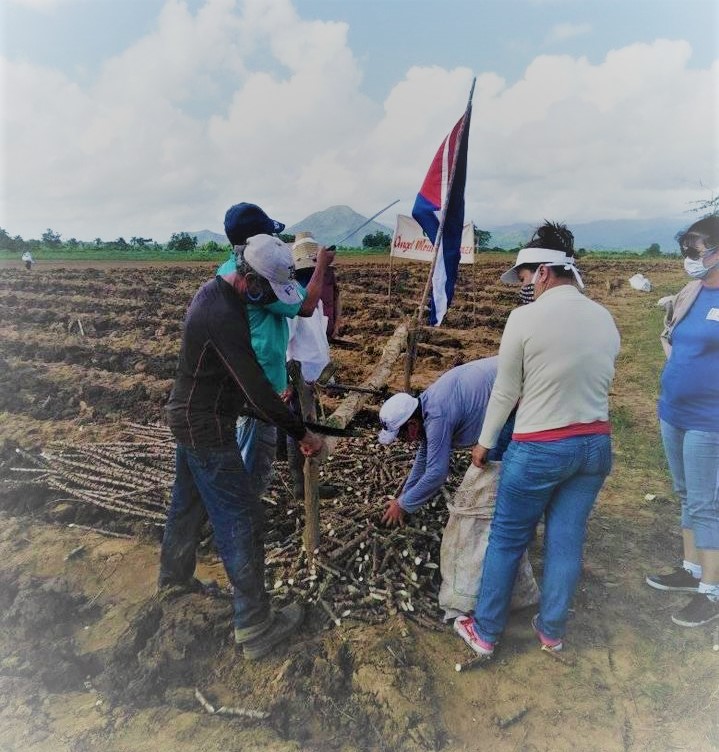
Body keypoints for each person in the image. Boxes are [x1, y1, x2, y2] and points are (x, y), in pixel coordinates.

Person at [454, 221, 620, 659]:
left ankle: (486, 632)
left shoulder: (524, 319)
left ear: (543, 272)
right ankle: (552, 631)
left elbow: (506, 391)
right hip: (595, 446)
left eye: (525, 277)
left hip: (540, 447)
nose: (523, 286)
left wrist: (484, 442)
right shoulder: (604, 318)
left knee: (507, 538)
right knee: (566, 540)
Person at [159, 231, 324, 660]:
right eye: (266, 291)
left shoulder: (221, 298)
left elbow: (236, 386)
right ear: (249, 279)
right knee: (243, 517)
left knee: (188, 503)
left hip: (193, 416)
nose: (269, 299)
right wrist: (303, 433)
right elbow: (255, 386)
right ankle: (254, 624)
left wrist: (273, 416)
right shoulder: (223, 315)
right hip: (205, 427)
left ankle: (173, 582)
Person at [216, 206, 334, 500]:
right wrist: (321, 265)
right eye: (268, 234)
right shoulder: (258, 278)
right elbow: (305, 307)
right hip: (260, 386)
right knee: (253, 460)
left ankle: (236, 511)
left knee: (243, 451)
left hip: (242, 379)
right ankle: (241, 517)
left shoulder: (227, 269)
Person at [646, 214, 719, 627]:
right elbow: (673, 337)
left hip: (711, 418)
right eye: (686, 247)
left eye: (697, 247)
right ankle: (691, 571)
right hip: (673, 411)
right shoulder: (691, 292)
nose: (690, 256)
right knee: (686, 491)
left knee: (708, 503)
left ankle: (712, 590)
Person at [377, 357, 511, 525]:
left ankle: (495, 523)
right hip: (504, 378)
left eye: (401, 436)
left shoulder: (437, 416)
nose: (402, 441)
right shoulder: (425, 404)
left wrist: (403, 506)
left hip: (514, 392)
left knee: (493, 465)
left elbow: (437, 473)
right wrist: (403, 497)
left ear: (411, 425)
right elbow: (424, 457)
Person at [285, 232, 336, 499]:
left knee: (307, 427)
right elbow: (286, 345)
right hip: (299, 380)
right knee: (300, 431)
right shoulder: (295, 300)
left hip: (311, 380)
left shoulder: (311, 299)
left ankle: (305, 480)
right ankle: (301, 485)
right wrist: (287, 382)